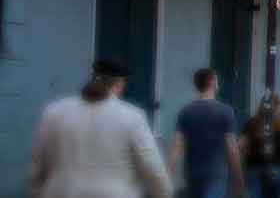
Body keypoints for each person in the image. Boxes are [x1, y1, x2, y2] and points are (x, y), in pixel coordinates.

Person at [27, 60, 172, 198]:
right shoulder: (132, 116)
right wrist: (163, 193)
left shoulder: (53, 112)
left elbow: (37, 164)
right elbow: (152, 167)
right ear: (119, 84)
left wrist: (34, 192)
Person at [170, 68, 243, 198]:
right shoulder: (225, 111)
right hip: (216, 173)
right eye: (216, 80)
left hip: (192, 173)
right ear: (212, 82)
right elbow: (232, 149)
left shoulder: (186, 111)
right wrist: (239, 178)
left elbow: (177, 147)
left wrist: (169, 173)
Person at [241, 93, 280, 198]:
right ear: (278, 106)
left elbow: (241, 146)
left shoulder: (251, 124)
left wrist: (244, 163)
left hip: (255, 169)